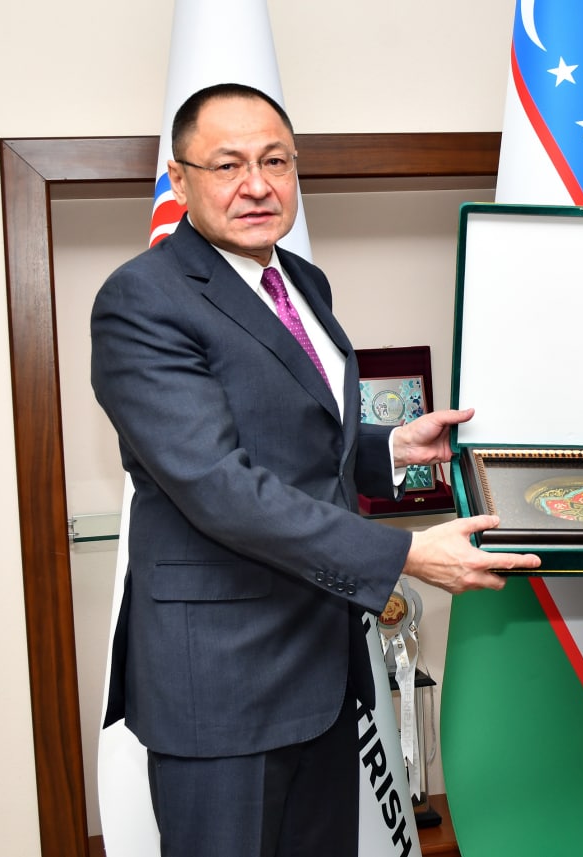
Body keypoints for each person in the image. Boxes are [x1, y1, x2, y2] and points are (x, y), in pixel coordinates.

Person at [90, 82, 541, 857]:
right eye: (228, 164)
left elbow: (295, 436)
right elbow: (221, 487)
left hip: (321, 669)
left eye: (275, 161)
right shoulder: (142, 300)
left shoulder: (300, 281)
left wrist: (389, 447)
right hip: (221, 686)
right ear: (180, 180)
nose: (256, 184)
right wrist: (406, 553)